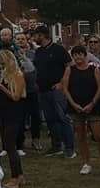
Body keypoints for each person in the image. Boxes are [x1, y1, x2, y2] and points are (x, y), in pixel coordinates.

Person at [62, 46, 100, 178]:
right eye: (75, 55)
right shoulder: (69, 70)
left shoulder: (93, 69)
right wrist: (73, 104)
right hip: (76, 107)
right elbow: (65, 88)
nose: (78, 57)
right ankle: (86, 162)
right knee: (81, 136)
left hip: (93, 107)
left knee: (99, 137)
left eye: (80, 55)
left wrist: (92, 103)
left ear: (85, 56)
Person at [33, 25, 76, 159]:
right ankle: (56, 145)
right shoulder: (38, 51)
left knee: (62, 118)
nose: (34, 38)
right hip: (42, 90)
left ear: (43, 35)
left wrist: (62, 82)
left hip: (56, 90)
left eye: (36, 35)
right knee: (50, 119)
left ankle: (70, 148)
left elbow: (70, 65)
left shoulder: (58, 49)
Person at [0, 49, 26, 188]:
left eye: (2, 63)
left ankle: (15, 178)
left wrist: (1, 87)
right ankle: (20, 175)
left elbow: (16, 97)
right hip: (4, 113)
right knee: (7, 145)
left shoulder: (18, 75)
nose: (0, 66)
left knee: (10, 146)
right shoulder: (4, 76)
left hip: (13, 114)